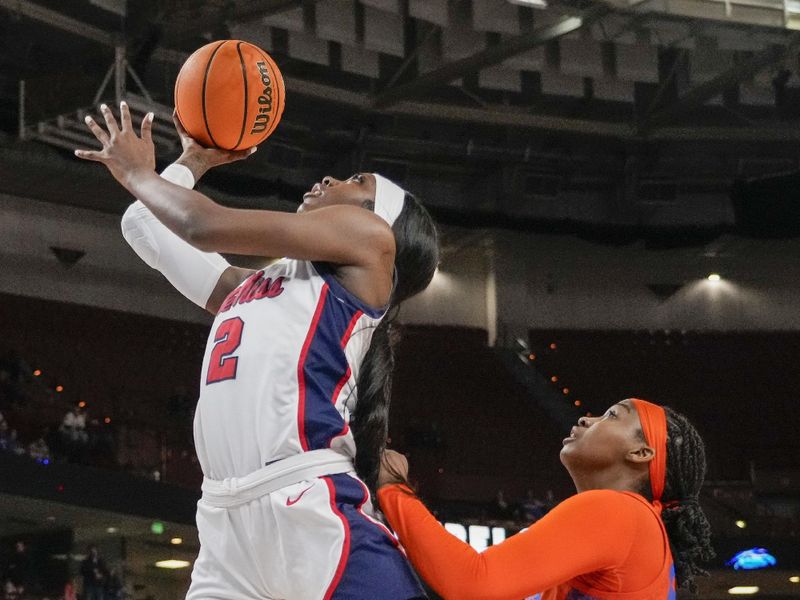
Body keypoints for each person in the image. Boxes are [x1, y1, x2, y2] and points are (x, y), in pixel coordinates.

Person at [76, 102, 438, 599]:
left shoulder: (372, 243)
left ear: (381, 221)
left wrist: (139, 171)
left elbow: (201, 226)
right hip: (225, 519)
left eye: (357, 181)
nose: (332, 177)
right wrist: (194, 160)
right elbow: (145, 228)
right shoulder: (250, 287)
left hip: (307, 504)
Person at [378, 398, 715, 600]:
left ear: (641, 452)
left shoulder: (618, 510)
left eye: (613, 415)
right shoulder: (637, 524)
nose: (587, 418)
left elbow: (472, 583)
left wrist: (393, 488)